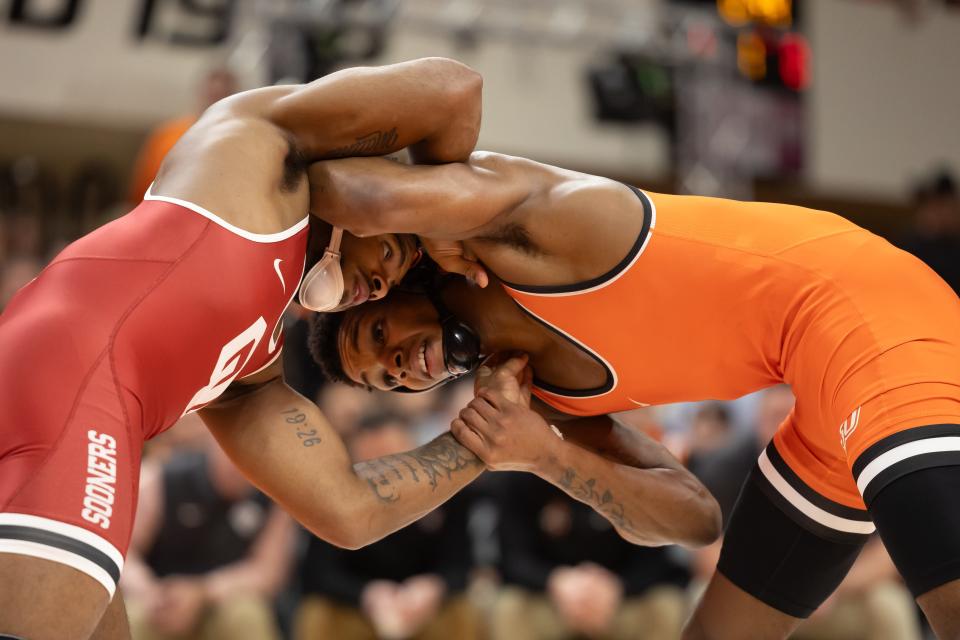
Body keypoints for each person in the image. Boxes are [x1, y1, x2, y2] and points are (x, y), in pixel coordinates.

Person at [306, 149, 960, 639]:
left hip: (866, 315)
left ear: (393, 279)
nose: (397, 366)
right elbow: (694, 518)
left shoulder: (507, 232)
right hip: (817, 388)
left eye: (378, 331)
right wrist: (545, 456)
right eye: (384, 378)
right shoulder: (537, 395)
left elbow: (449, 89)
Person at [0, 57, 517, 640]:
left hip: (66, 404)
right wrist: (435, 211)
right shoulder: (251, 151)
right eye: (392, 253)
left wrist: (482, 440)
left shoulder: (251, 372)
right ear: (365, 189)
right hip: (74, 385)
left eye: (385, 292)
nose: (378, 286)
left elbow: (349, 510)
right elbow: (455, 89)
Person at [121, 436, 294, 640]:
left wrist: (202, 593)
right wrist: (151, 592)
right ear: (214, 444)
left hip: (221, 598)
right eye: (232, 454)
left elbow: (267, 572)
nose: (239, 466)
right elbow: (125, 553)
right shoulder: (162, 477)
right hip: (159, 595)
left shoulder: (278, 495)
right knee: (130, 619)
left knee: (247, 614)